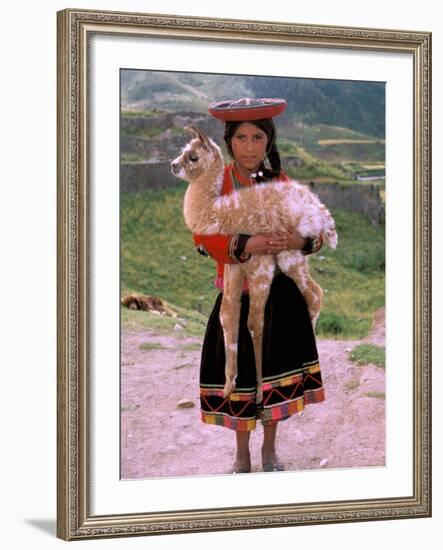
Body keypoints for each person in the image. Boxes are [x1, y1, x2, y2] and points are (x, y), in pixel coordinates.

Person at [193, 97, 325, 474]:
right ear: (229, 142)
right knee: (241, 381)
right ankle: (241, 454)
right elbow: (202, 237)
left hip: (280, 299)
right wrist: (245, 244)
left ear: (268, 142)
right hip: (238, 296)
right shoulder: (216, 184)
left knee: (274, 379)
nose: (250, 147)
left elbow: (313, 228)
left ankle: (269, 450)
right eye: (241, 138)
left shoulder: (281, 183)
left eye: (257, 138)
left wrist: (298, 242)